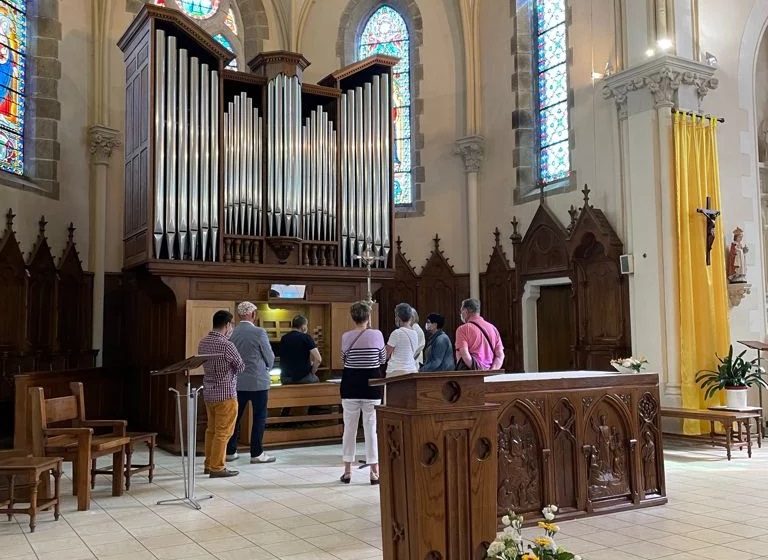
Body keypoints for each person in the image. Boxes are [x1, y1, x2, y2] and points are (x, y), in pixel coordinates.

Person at [340, 301, 386, 485]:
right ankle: (374, 472)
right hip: (372, 385)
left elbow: (344, 358)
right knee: (371, 428)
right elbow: (382, 358)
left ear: (353, 317)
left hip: (350, 384)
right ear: (368, 317)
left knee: (349, 428)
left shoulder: (346, 336)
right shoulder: (377, 334)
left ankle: (347, 471)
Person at [226, 301, 277, 464]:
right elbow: (269, 355)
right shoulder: (259, 332)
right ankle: (256, 453)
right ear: (252, 314)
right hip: (258, 382)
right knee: (259, 417)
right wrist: (268, 367)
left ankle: (230, 451)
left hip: (237, 382)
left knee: (235, 417)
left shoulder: (232, 333)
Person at [198, 310, 244, 478]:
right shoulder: (227, 345)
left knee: (211, 430)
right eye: (231, 325)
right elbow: (240, 366)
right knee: (223, 432)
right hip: (226, 394)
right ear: (227, 325)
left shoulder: (203, 342)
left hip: (209, 392)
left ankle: (208, 463)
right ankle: (217, 467)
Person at [455, 298, 504, 370]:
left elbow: (465, 355)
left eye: (461, 311)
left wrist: (478, 371)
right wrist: (491, 371)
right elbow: (500, 355)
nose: (461, 314)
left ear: (465, 311)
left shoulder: (463, 329)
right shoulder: (493, 329)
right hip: (489, 375)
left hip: (471, 375)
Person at [279, 315, 322, 384]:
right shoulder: (306, 337)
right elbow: (318, 359)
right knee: (316, 381)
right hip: (303, 378)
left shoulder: (284, 338)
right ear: (303, 327)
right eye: (306, 325)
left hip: (286, 378)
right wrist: (312, 371)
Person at [385, 302, 420, 377]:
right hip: (412, 370)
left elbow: (386, 354)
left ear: (398, 317)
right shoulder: (415, 333)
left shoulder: (397, 333)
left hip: (397, 371)